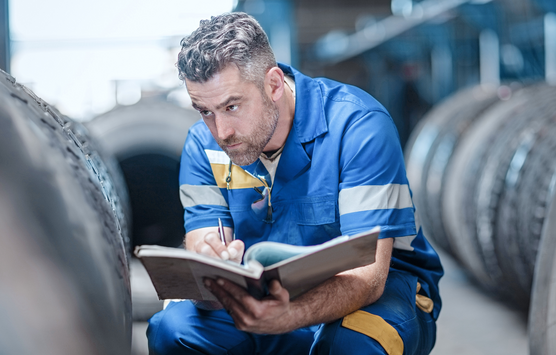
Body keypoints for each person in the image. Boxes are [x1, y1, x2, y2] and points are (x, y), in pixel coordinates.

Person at [147, 12, 443, 355]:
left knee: (353, 347)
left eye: (232, 106)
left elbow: (369, 278)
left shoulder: (358, 127)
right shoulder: (203, 144)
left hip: (384, 290)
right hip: (265, 295)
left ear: (273, 84)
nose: (221, 132)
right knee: (174, 329)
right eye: (205, 111)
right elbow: (203, 245)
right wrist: (211, 276)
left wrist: (291, 315)